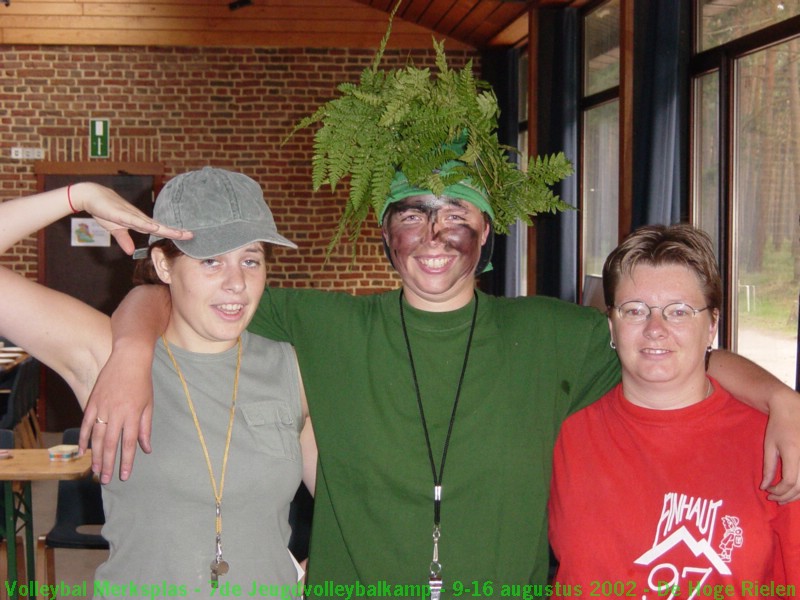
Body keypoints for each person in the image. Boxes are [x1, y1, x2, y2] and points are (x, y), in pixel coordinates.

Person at [77, 38, 800, 599]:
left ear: (488, 234)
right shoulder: (325, 326)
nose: (433, 235)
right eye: (413, 214)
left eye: (457, 214)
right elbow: (172, 289)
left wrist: (780, 398)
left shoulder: (550, 336)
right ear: (383, 231)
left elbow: (668, 347)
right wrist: (131, 350)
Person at [0, 168, 315, 596]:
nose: (236, 283)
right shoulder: (105, 355)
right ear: (164, 264)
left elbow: (347, 499)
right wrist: (79, 196)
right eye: (210, 259)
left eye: (250, 259)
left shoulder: (290, 368)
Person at [548, 224, 800, 597]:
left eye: (679, 312)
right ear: (611, 326)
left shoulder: (778, 442)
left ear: (712, 324)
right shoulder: (564, 430)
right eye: (634, 310)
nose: (655, 328)